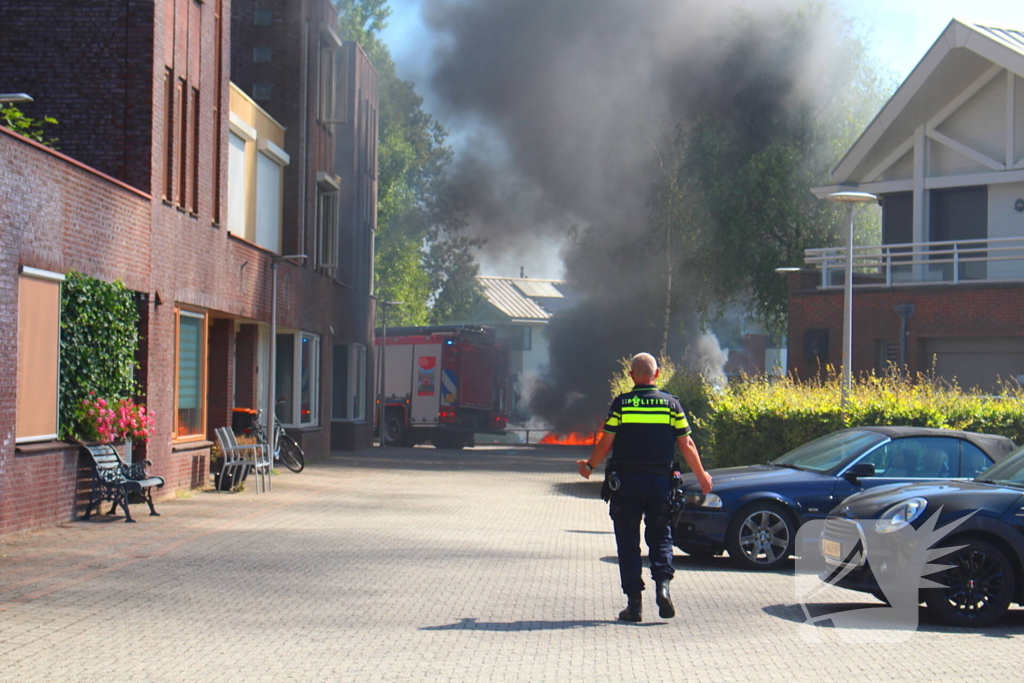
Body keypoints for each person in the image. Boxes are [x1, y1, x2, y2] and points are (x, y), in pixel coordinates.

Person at [577, 353, 713, 622]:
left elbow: (607, 442)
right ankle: (662, 587)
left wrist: (589, 467)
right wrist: (702, 476)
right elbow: (687, 445)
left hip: (626, 483)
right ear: (657, 374)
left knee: (628, 542)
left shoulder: (622, 404)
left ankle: (634, 605)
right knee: (661, 536)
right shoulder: (671, 405)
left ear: (631, 375)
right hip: (660, 484)